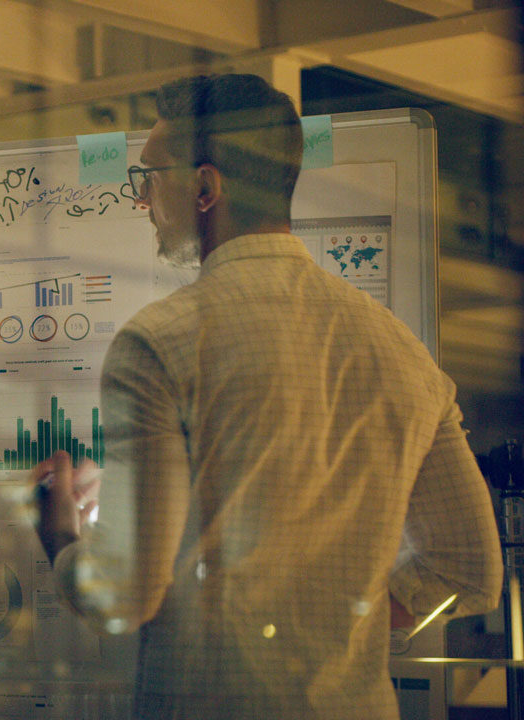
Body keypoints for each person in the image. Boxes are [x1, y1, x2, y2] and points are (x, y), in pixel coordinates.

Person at [32, 74, 503, 719]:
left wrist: (59, 536)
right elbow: (469, 573)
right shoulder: (402, 353)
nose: (143, 200)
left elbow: (125, 595)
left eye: (151, 177)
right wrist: (341, 617)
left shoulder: (160, 343)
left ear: (205, 187)